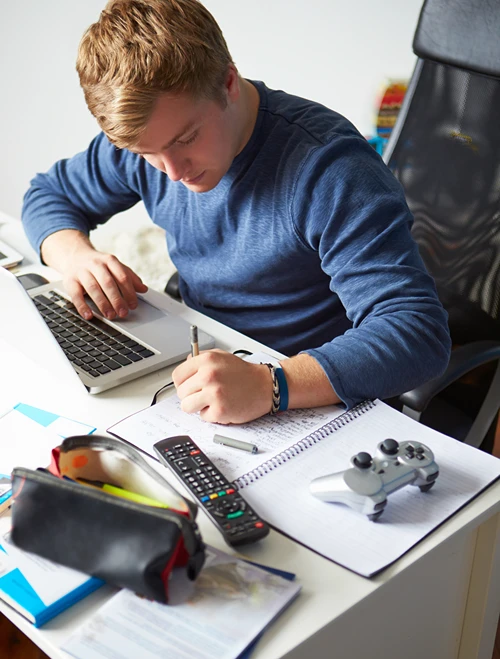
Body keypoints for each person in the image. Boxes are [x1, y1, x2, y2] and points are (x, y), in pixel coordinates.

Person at [22, 0, 451, 424]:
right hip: (202, 351)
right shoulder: (153, 137)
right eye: (146, 153)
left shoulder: (330, 170)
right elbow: (48, 195)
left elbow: (416, 333)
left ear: (227, 82)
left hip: (306, 388)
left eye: (186, 138)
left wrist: (271, 384)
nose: (173, 172)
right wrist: (74, 255)